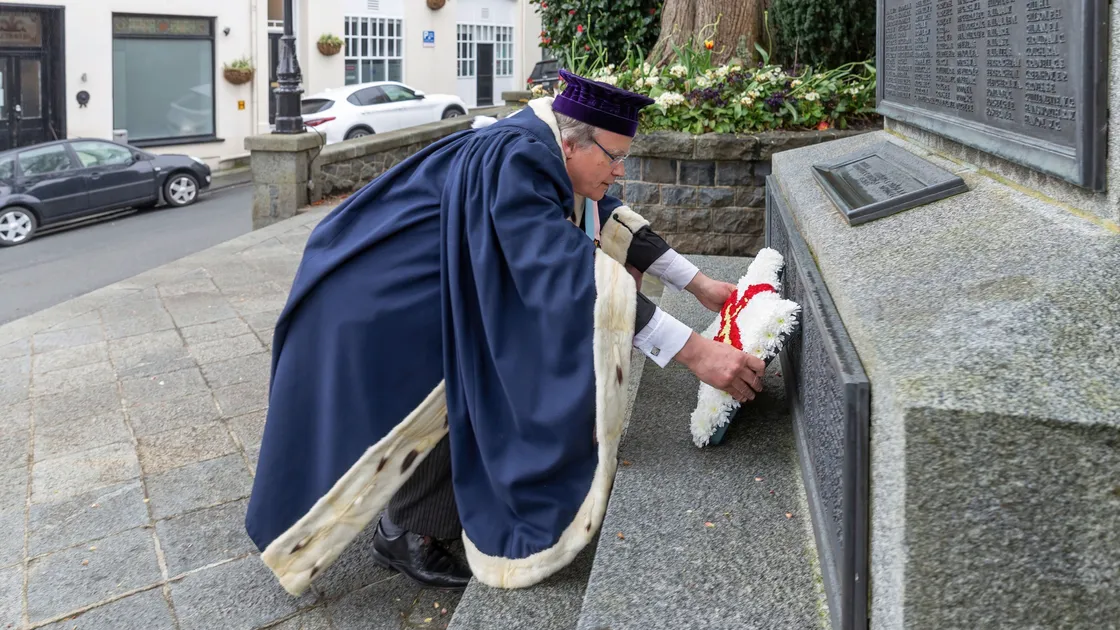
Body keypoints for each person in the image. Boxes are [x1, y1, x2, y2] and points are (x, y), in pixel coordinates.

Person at [245, 69, 765, 596]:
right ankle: (407, 531)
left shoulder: (539, 146)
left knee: (476, 372)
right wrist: (696, 352)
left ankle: (411, 515)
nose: (620, 170)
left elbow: (606, 212)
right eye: (613, 157)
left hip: (402, 283)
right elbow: (567, 274)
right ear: (570, 143)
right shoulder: (517, 158)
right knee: (448, 390)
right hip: (377, 303)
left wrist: (697, 283)